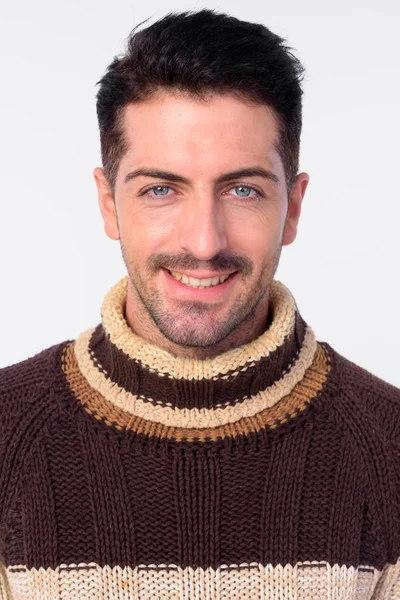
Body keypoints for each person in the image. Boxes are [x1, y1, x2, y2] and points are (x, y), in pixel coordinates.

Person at [0, 8, 399, 599]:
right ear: (109, 204)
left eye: (243, 190)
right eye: (161, 189)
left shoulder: (389, 449)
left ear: (292, 206)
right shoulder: (7, 435)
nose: (204, 242)